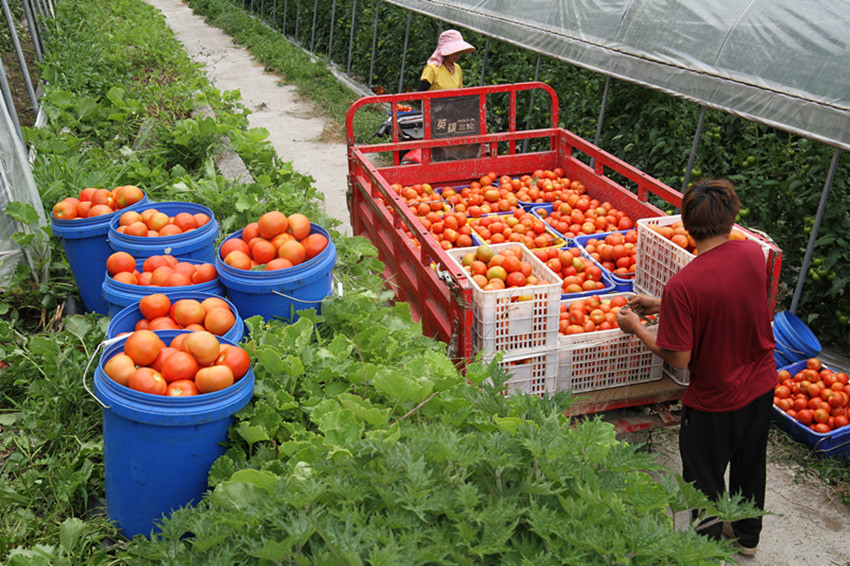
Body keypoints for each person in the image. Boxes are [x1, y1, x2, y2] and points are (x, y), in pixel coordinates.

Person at [616, 178, 776, 556]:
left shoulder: (684, 285)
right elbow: (726, 296)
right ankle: (747, 538)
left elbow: (679, 357)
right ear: (732, 217)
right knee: (750, 463)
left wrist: (637, 327)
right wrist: (664, 304)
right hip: (760, 384)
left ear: (686, 225)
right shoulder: (753, 253)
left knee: (703, 479)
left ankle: (703, 552)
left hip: (716, 400)